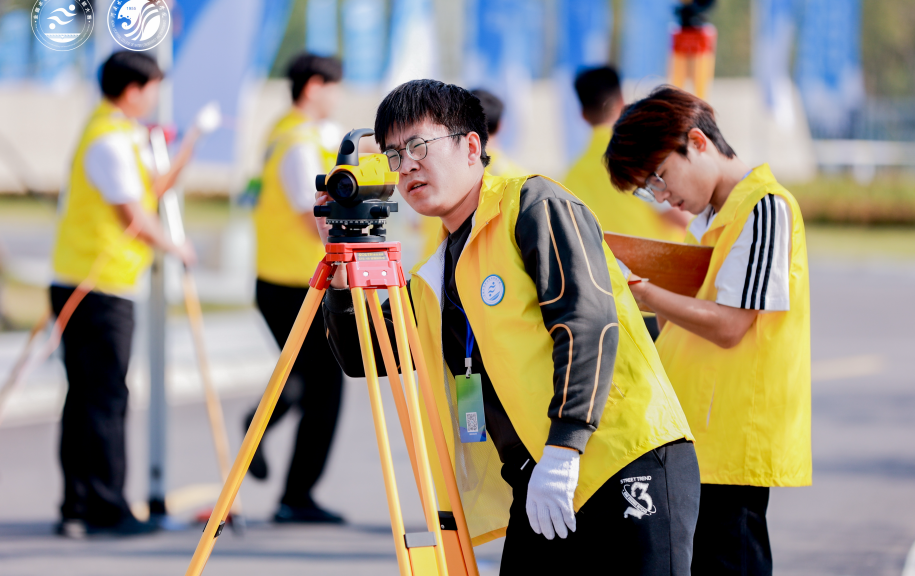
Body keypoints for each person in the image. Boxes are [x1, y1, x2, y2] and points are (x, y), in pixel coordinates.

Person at [319, 79, 700, 574]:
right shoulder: (436, 270)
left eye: (418, 145)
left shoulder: (534, 204)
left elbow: (587, 323)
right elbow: (361, 356)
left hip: (620, 457)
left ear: (471, 145)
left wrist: (565, 447)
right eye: (392, 154)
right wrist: (345, 263)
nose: (406, 164)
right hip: (541, 480)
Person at [604, 86, 811, 576]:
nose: (662, 196)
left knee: (731, 559)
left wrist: (644, 291)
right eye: (647, 189)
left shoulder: (763, 208)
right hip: (701, 433)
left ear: (696, 142)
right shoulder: (715, 218)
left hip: (732, 437)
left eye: (659, 177)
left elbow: (730, 325)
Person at [51, 51, 199, 537]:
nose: (155, 97)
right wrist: (175, 246)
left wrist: (189, 146)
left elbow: (150, 192)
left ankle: (79, 505)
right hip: (98, 287)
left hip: (88, 282)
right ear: (133, 90)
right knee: (105, 397)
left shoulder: (111, 133)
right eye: (152, 88)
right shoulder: (111, 141)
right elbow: (133, 215)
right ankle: (104, 506)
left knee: (89, 396)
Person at [246, 53, 345, 524]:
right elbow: (312, 219)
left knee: (311, 379)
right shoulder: (296, 143)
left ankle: (288, 480)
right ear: (312, 86)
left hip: (291, 280)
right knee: (323, 383)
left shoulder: (289, 132)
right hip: (293, 284)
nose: (337, 96)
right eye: (333, 86)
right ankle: (295, 496)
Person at [563, 66, 689, 242]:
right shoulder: (643, 154)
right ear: (622, 100)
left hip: (604, 269)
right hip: (659, 265)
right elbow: (681, 218)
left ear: (582, 114)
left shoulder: (571, 178)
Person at [418, 88, 528, 260]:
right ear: (502, 125)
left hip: (429, 278)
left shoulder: (432, 173)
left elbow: (415, 225)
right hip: (487, 278)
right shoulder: (519, 179)